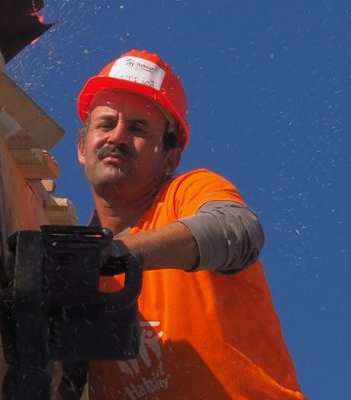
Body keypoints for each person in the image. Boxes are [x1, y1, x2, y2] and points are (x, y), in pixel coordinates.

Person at [65, 49, 305, 399]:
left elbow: (236, 233)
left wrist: (116, 253)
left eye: (138, 128)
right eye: (105, 124)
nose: (117, 137)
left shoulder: (187, 193)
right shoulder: (78, 271)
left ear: (170, 157)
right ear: (82, 148)